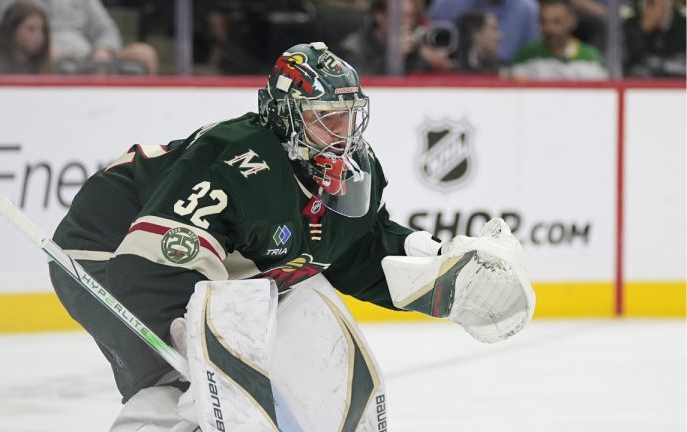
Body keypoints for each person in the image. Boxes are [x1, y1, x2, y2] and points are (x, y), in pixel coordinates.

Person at [50, 42, 535, 430]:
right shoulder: (237, 160)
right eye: (326, 117)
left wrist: (440, 277)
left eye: (348, 115)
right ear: (285, 116)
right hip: (105, 252)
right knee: (178, 387)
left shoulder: (355, 172)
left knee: (283, 323)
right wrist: (197, 349)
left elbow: (356, 249)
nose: (343, 132)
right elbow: (153, 265)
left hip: (205, 264)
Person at [0, 0, 159, 75]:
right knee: (51, 56)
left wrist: (103, 49)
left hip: (89, 57)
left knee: (144, 53)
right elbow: (4, 28)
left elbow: (107, 30)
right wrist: (50, 49)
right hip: (47, 56)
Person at [339, 0, 452, 74]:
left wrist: (439, 66)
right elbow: (362, 88)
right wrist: (392, 58)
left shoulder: (417, 47)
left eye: (411, 16)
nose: (407, 23)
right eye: (400, 16)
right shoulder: (353, 50)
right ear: (379, 15)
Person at [510, 0, 607, 80]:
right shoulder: (526, 54)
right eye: (543, 21)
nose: (549, 28)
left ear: (572, 21)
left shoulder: (590, 57)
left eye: (557, 22)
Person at [425, 0, 540, 64]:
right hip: (454, 75)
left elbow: (536, 53)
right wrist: (431, 54)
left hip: (510, 81)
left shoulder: (528, 10)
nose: (500, 36)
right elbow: (427, 37)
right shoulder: (448, 4)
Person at [623, 0, 686, 77]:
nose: (658, 5)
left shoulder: (682, 25)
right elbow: (631, 59)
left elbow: (681, 59)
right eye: (651, 3)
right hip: (642, 79)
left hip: (674, 78)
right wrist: (644, 29)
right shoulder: (631, 25)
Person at [0, 1, 50, 74]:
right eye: (30, 29)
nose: (39, 36)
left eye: (43, 30)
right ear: (13, 30)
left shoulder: (46, 69)